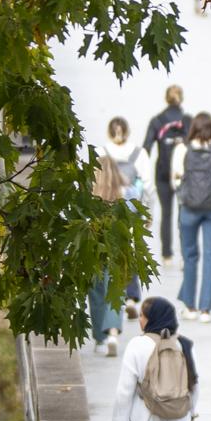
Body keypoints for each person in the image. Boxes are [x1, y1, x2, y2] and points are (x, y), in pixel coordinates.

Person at [88, 117, 147, 355]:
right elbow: (138, 208)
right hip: (119, 240)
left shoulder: (91, 193)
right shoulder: (125, 190)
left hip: (95, 241)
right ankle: (113, 331)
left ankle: (99, 337)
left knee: (96, 287)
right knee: (116, 285)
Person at [175, 111, 211, 321]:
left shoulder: (182, 149)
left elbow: (176, 179)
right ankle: (206, 309)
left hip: (188, 208)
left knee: (189, 256)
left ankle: (190, 306)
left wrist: (186, 195)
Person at [143, 86, 188, 264]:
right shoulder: (188, 122)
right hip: (183, 175)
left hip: (162, 172)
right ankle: (186, 254)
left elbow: (146, 149)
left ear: (166, 99)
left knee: (166, 214)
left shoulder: (157, 121)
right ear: (181, 99)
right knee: (184, 214)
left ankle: (166, 255)